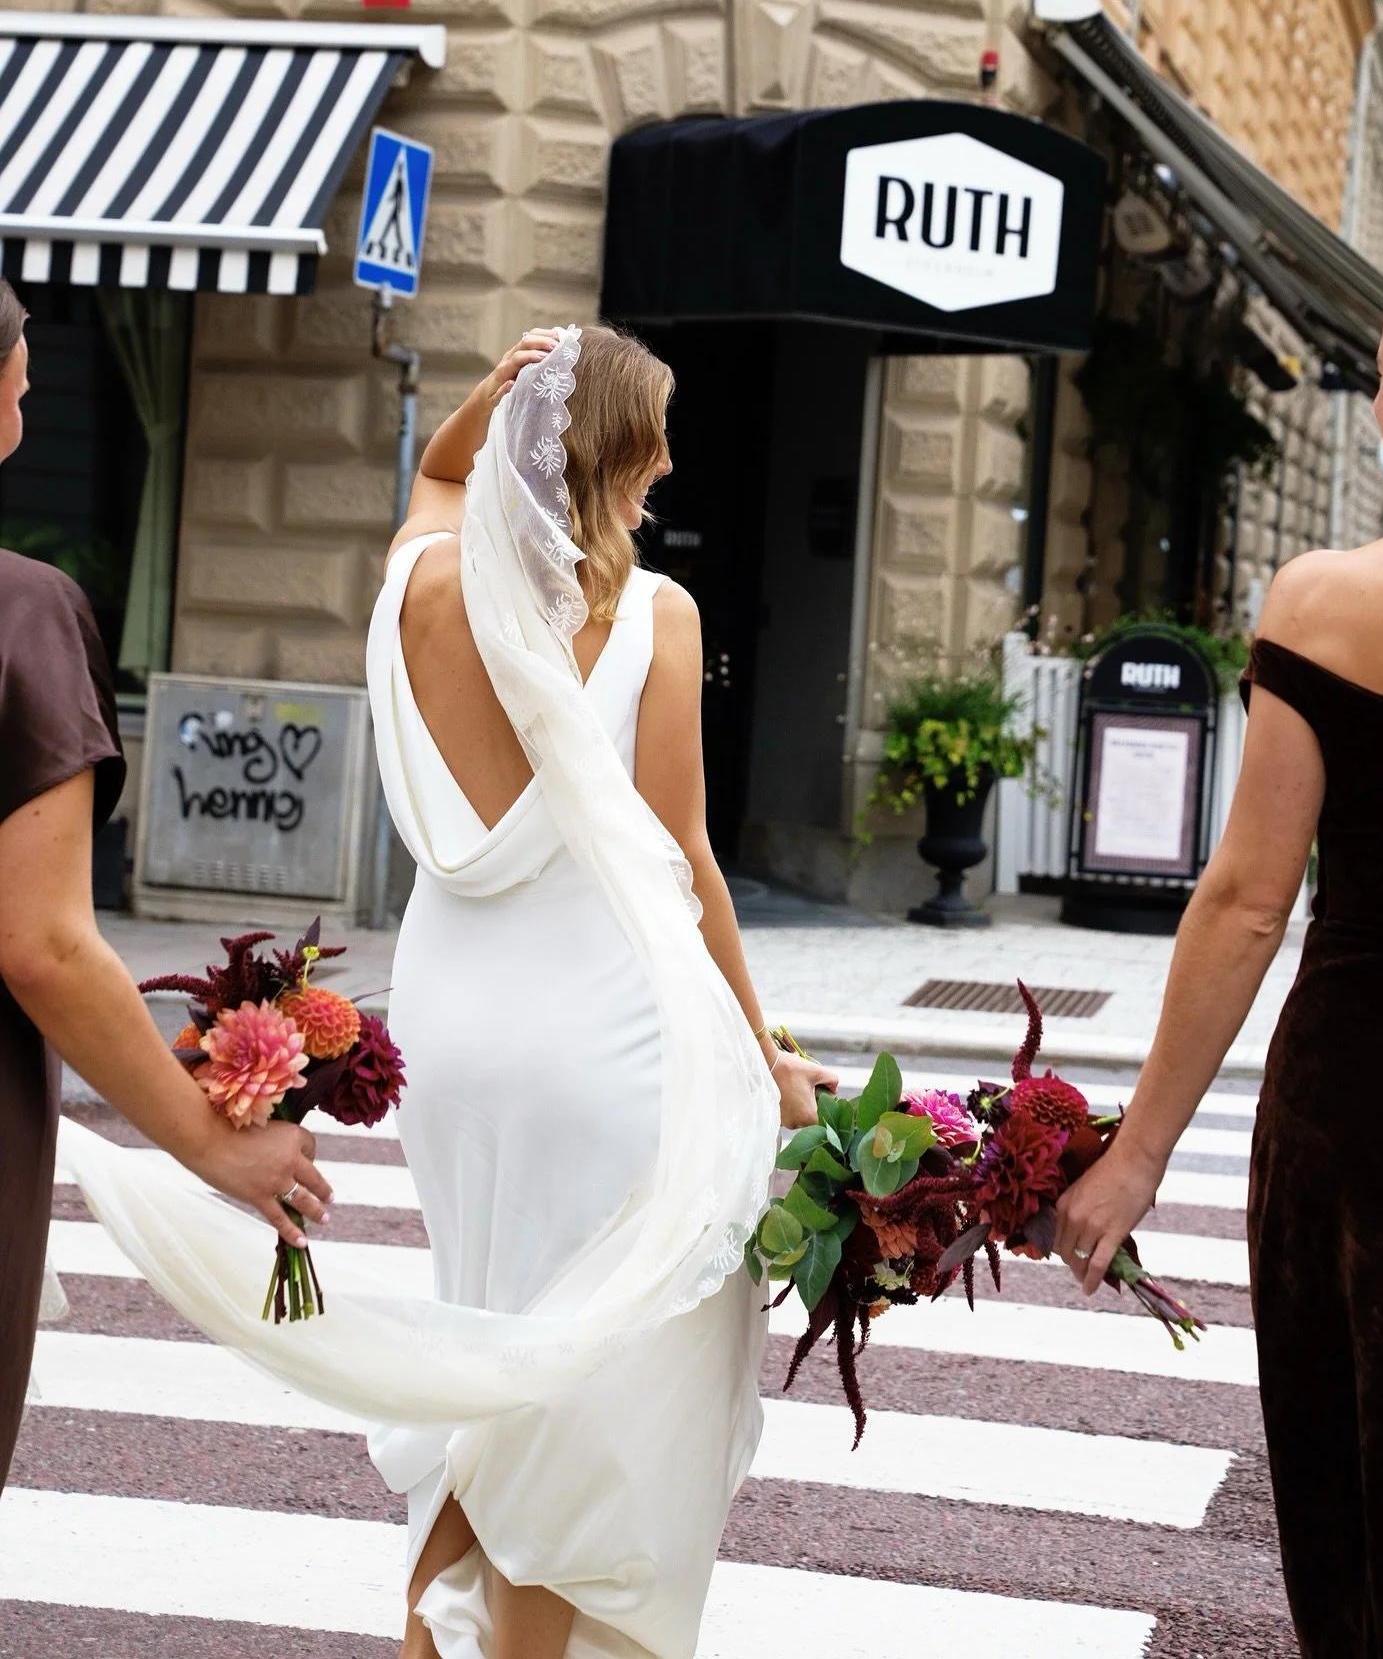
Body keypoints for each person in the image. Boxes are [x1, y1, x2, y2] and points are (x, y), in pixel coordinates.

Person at [372, 322, 836, 1659]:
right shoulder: (653, 616)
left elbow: (443, 478)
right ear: (609, 455)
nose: (674, 463)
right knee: (593, 1383)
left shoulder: (416, 589)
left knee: (492, 1338)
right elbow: (684, 856)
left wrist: (498, 392)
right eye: (654, 441)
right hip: (602, 1036)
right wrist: (761, 1054)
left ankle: (424, 1637)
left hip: (451, 1037)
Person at [1054, 250, 1383, 1655]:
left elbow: (1246, 904)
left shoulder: (1331, 604)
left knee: (1362, 1493)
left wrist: (1140, 1149)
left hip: (1366, 1110)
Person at [0, 279, 332, 1489]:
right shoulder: (23, 616)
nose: (32, 374)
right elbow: (42, 942)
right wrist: (212, 1142)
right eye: (22, 360)